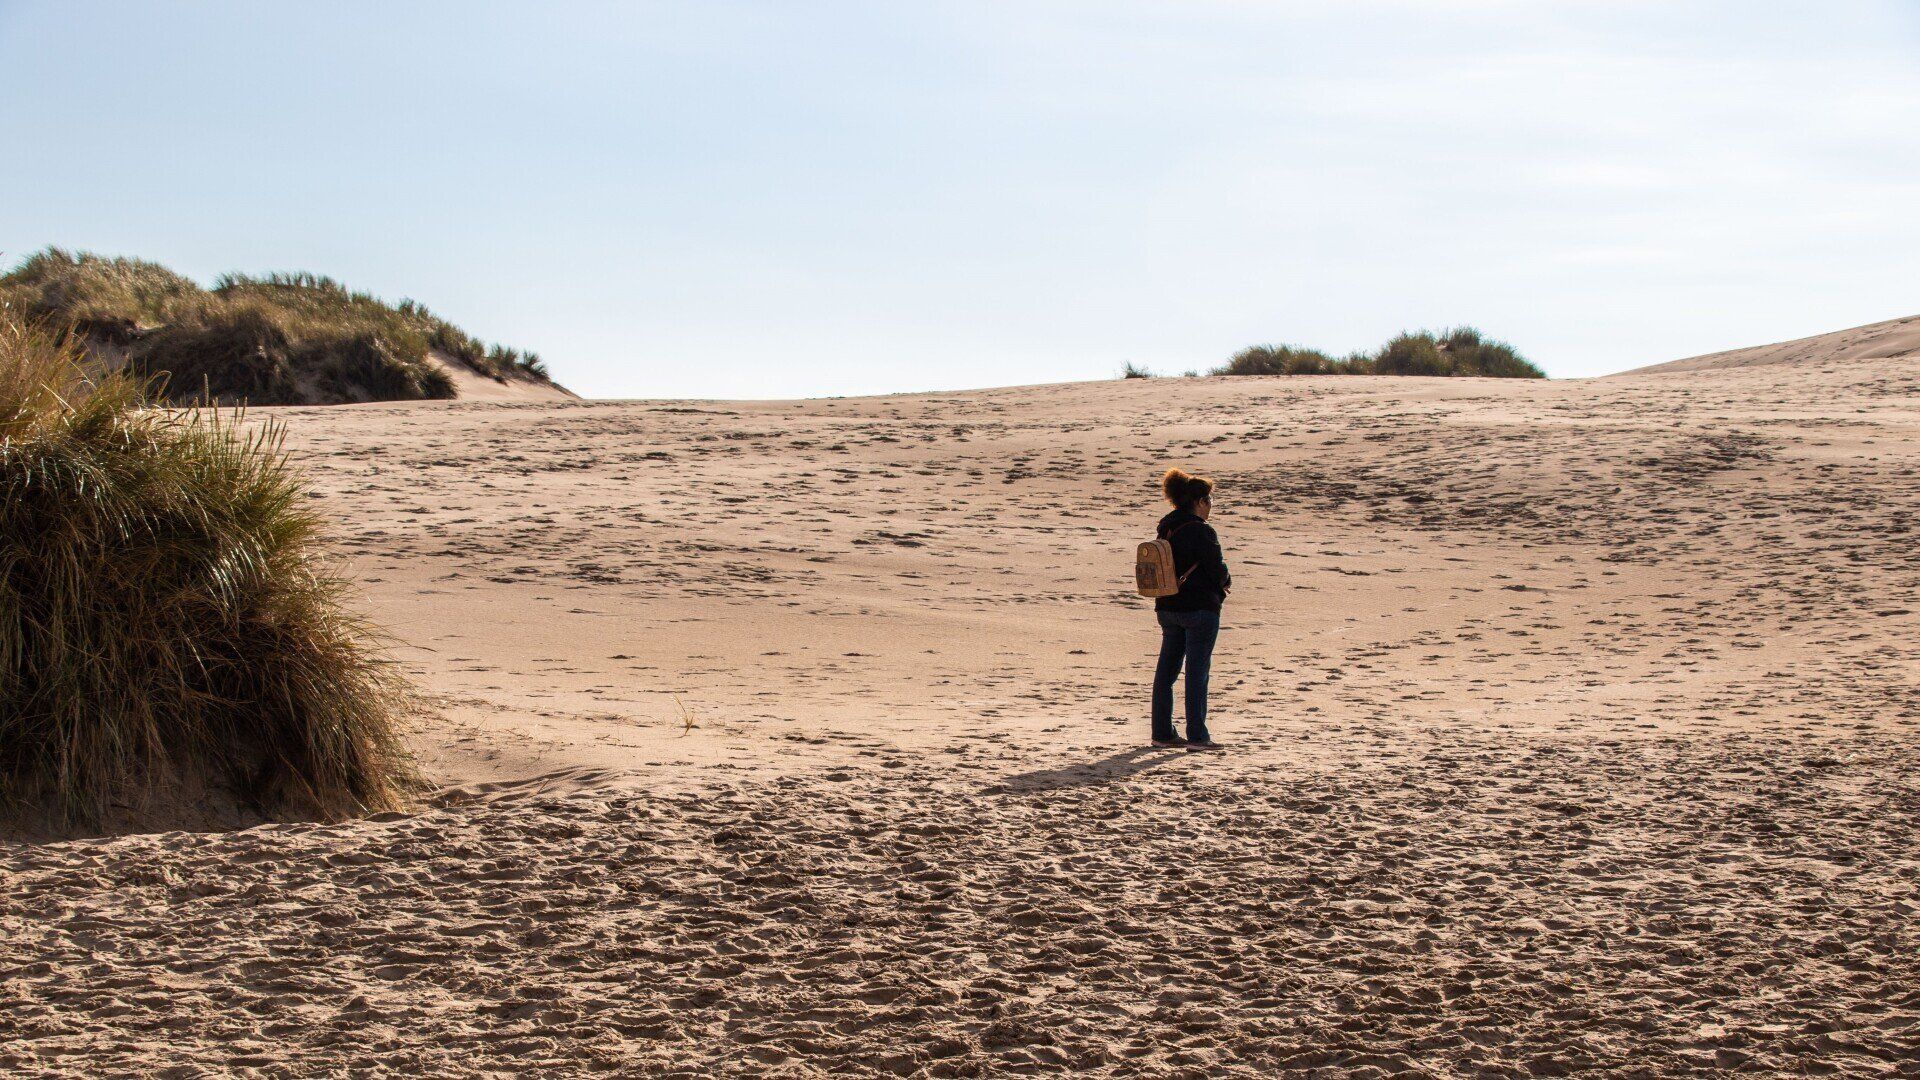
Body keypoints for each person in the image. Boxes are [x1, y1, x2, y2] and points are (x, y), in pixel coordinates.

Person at [1151, 468, 1230, 751]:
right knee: (1197, 672)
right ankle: (1197, 736)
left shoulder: (1166, 527)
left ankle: (1162, 733)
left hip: (1167, 606)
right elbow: (1217, 568)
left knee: (1166, 673)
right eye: (1209, 500)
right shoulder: (1202, 530)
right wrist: (1225, 582)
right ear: (1199, 501)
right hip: (1199, 609)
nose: (1210, 506)